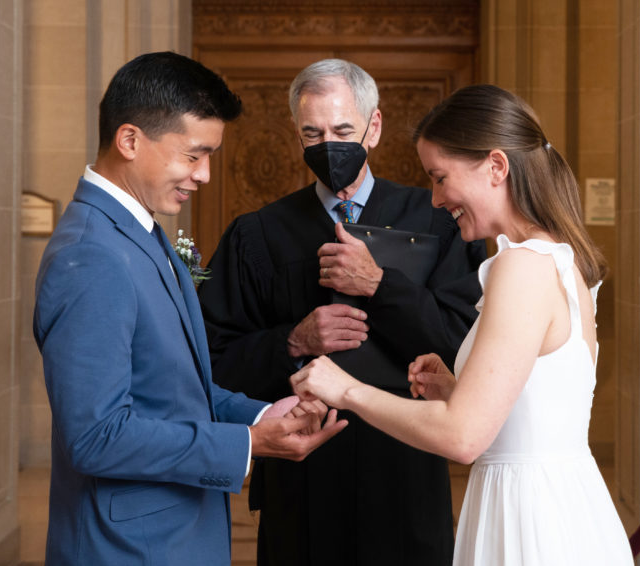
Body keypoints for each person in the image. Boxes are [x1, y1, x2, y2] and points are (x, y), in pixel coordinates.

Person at [291, 83, 634, 565]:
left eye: (440, 177)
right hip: (556, 502)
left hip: (529, 520)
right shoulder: (556, 259)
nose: (435, 200)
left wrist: (344, 388)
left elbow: (463, 438)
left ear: (496, 167)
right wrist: (456, 391)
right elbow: (535, 413)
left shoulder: (523, 266)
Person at [32, 51, 347, 566]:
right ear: (130, 140)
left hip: (174, 535)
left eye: (210, 158)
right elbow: (95, 436)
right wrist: (245, 444)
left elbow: (175, 391)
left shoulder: (142, 233)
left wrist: (265, 412)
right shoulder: (91, 253)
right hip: (127, 549)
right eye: (193, 155)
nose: (203, 176)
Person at [197, 59, 486, 565]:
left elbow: (466, 346)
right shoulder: (259, 234)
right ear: (297, 135)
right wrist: (293, 341)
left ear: (373, 128)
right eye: (313, 133)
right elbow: (212, 361)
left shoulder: (437, 221)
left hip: (405, 470)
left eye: (343, 129)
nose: (328, 144)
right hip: (303, 478)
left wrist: (379, 284)